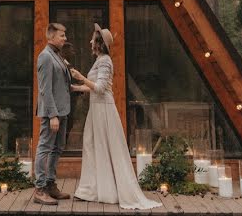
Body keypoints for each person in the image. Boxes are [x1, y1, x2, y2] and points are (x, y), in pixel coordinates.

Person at [70, 24, 161, 209]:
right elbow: (93, 86)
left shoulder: (105, 61)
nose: (89, 41)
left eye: (92, 39)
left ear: (98, 43)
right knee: (91, 145)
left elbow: (101, 88)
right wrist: (76, 87)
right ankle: (92, 189)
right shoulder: (99, 60)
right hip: (96, 109)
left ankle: (108, 191)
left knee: (104, 146)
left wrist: (80, 77)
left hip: (104, 110)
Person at [33, 22, 72, 205]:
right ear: (51, 37)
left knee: (57, 149)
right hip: (53, 113)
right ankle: (39, 189)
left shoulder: (57, 56)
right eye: (62, 35)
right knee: (44, 148)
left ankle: (50, 185)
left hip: (63, 110)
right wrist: (52, 115)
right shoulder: (45, 57)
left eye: (65, 35)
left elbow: (61, 85)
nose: (65, 38)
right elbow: (45, 90)